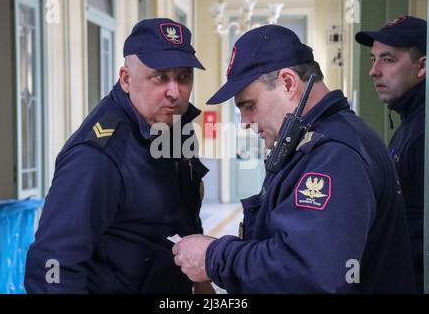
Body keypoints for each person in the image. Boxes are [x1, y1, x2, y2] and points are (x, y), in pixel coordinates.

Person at [172, 24, 416, 293]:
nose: (244, 122)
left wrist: (214, 258)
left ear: (288, 83)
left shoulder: (335, 154)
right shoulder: (313, 142)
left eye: (249, 105)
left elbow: (308, 275)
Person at [25, 18, 212, 293]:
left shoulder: (173, 126)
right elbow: (53, 265)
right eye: (160, 77)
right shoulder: (96, 156)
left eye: (184, 77)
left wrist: (200, 282)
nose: (175, 92)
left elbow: (182, 214)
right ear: (126, 79)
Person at [355, 15, 426, 292]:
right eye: (373, 59)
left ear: (422, 67)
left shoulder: (423, 133)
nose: (373, 71)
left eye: (388, 60)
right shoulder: (411, 122)